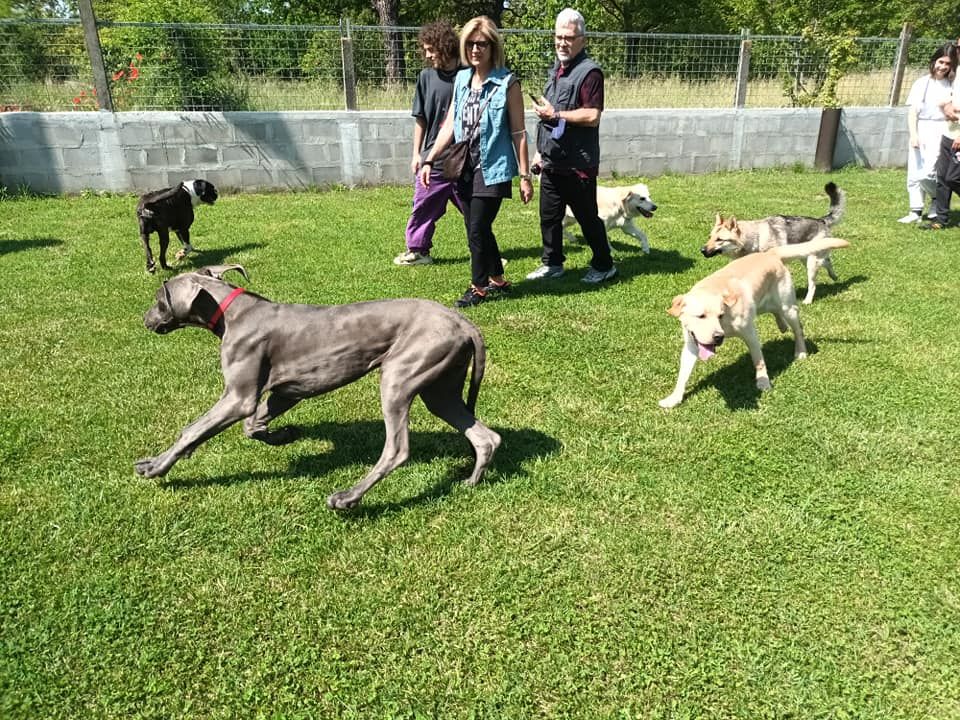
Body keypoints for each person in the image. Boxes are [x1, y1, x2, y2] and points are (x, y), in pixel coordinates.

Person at [419, 15, 534, 307]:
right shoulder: (461, 79)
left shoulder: (508, 83)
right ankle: (498, 280)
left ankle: (478, 287)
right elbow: (450, 124)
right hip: (464, 168)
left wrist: (525, 176)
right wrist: (429, 159)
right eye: (470, 43)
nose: (474, 49)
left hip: (493, 168)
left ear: (493, 47)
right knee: (477, 226)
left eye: (481, 44)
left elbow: (519, 132)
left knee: (477, 228)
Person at [525, 8, 614, 284]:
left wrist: (556, 114)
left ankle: (604, 265)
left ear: (582, 40)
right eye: (559, 37)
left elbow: (592, 115)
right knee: (549, 217)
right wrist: (539, 152)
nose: (562, 43)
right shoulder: (556, 71)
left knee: (587, 218)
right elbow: (548, 119)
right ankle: (552, 264)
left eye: (569, 38)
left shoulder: (590, 73)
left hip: (578, 164)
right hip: (552, 161)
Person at [394, 21, 464, 266]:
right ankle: (418, 250)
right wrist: (417, 154)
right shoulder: (426, 77)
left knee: (475, 210)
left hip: (463, 156)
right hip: (433, 160)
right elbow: (420, 118)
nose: (427, 55)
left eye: (431, 50)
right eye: (425, 50)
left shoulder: (468, 75)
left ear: (444, 47)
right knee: (422, 205)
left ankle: (487, 253)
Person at [900, 43, 955, 224]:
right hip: (921, 128)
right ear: (934, 61)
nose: (943, 67)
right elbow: (913, 112)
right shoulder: (922, 83)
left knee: (930, 173)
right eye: (941, 62)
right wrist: (914, 134)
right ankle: (915, 210)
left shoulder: (953, 84)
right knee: (915, 171)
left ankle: (936, 201)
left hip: (943, 129)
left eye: (948, 63)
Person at [921, 41, 960, 230]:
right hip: (948, 132)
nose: (958, 51)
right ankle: (940, 219)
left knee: (954, 178)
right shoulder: (957, 71)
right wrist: (947, 105)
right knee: (942, 177)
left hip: (959, 136)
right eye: (958, 47)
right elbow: (953, 96)